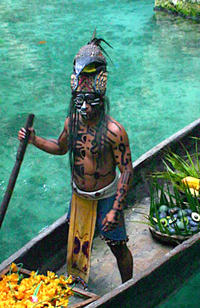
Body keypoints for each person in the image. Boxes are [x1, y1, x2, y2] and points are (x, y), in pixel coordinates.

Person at [18, 34, 133, 284]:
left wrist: (115, 208)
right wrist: (34, 140)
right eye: (80, 102)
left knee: (118, 245)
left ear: (101, 101)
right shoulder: (73, 124)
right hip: (80, 197)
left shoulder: (114, 132)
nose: (85, 108)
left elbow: (126, 171)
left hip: (106, 197)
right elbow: (60, 148)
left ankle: (129, 287)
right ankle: (79, 282)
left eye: (90, 102)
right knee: (77, 242)